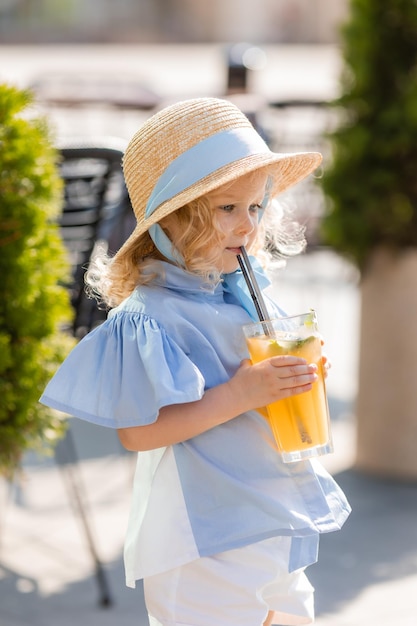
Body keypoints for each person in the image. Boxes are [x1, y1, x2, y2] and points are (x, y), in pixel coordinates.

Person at [40, 97, 350, 626]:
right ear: (171, 222)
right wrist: (242, 393)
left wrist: (301, 374)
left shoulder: (245, 294)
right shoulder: (154, 316)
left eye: (255, 208)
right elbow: (138, 434)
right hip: (204, 536)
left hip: (270, 512)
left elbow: (266, 382)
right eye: (227, 208)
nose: (246, 226)